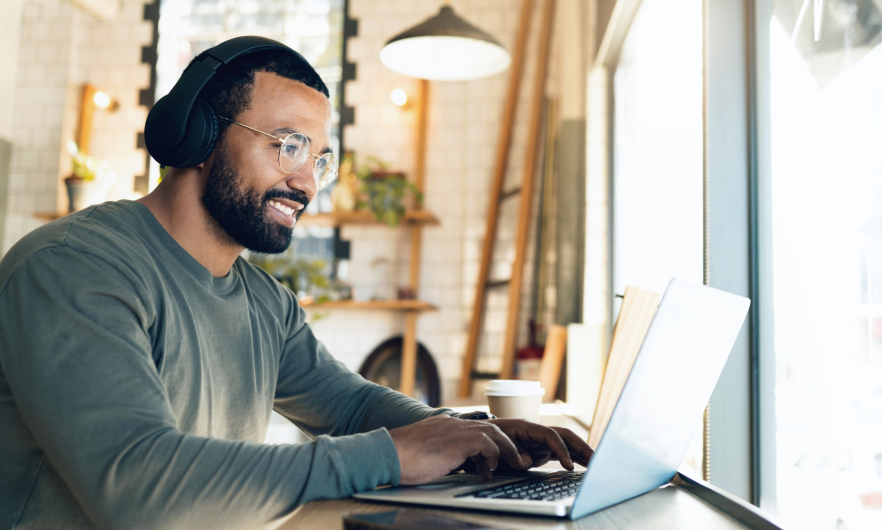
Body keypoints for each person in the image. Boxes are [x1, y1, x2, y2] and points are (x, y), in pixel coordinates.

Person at [0, 39, 593, 530]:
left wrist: (466, 433)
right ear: (198, 137)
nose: (307, 182)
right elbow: (138, 487)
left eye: (321, 159)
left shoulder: (263, 302)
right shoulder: (72, 267)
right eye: (289, 145)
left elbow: (353, 404)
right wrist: (394, 454)